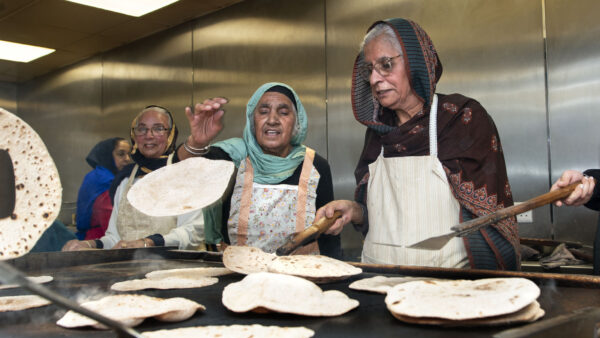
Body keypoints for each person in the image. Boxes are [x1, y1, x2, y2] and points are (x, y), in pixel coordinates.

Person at [315, 18, 519, 270]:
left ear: (416, 62)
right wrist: (354, 210)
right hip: (378, 281)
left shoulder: (460, 119)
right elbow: (380, 215)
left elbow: (488, 217)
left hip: (448, 287)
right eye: (370, 70)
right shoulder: (377, 133)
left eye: (386, 65)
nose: (375, 79)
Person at [177, 82, 342, 258]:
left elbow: (328, 233)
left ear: (297, 122)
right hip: (238, 276)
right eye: (263, 112)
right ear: (252, 120)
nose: (272, 120)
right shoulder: (231, 159)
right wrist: (197, 143)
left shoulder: (316, 166)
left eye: (284, 113)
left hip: (300, 276)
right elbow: (184, 174)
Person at [62, 106, 204, 251]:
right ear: (134, 136)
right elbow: (115, 238)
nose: (149, 135)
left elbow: (193, 232)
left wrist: (149, 242)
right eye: (142, 129)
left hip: (176, 268)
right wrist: (90, 244)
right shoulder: (125, 181)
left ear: (170, 134)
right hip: (131, 268)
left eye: (159, 128)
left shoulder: (184, 177)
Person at [75, 137, 131, 240]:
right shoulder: (105, 181)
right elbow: (112, 223)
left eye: (129, 154)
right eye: (121, 154)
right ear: (108, 156)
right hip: (99, 241)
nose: (127, 159)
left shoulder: (96, 175)